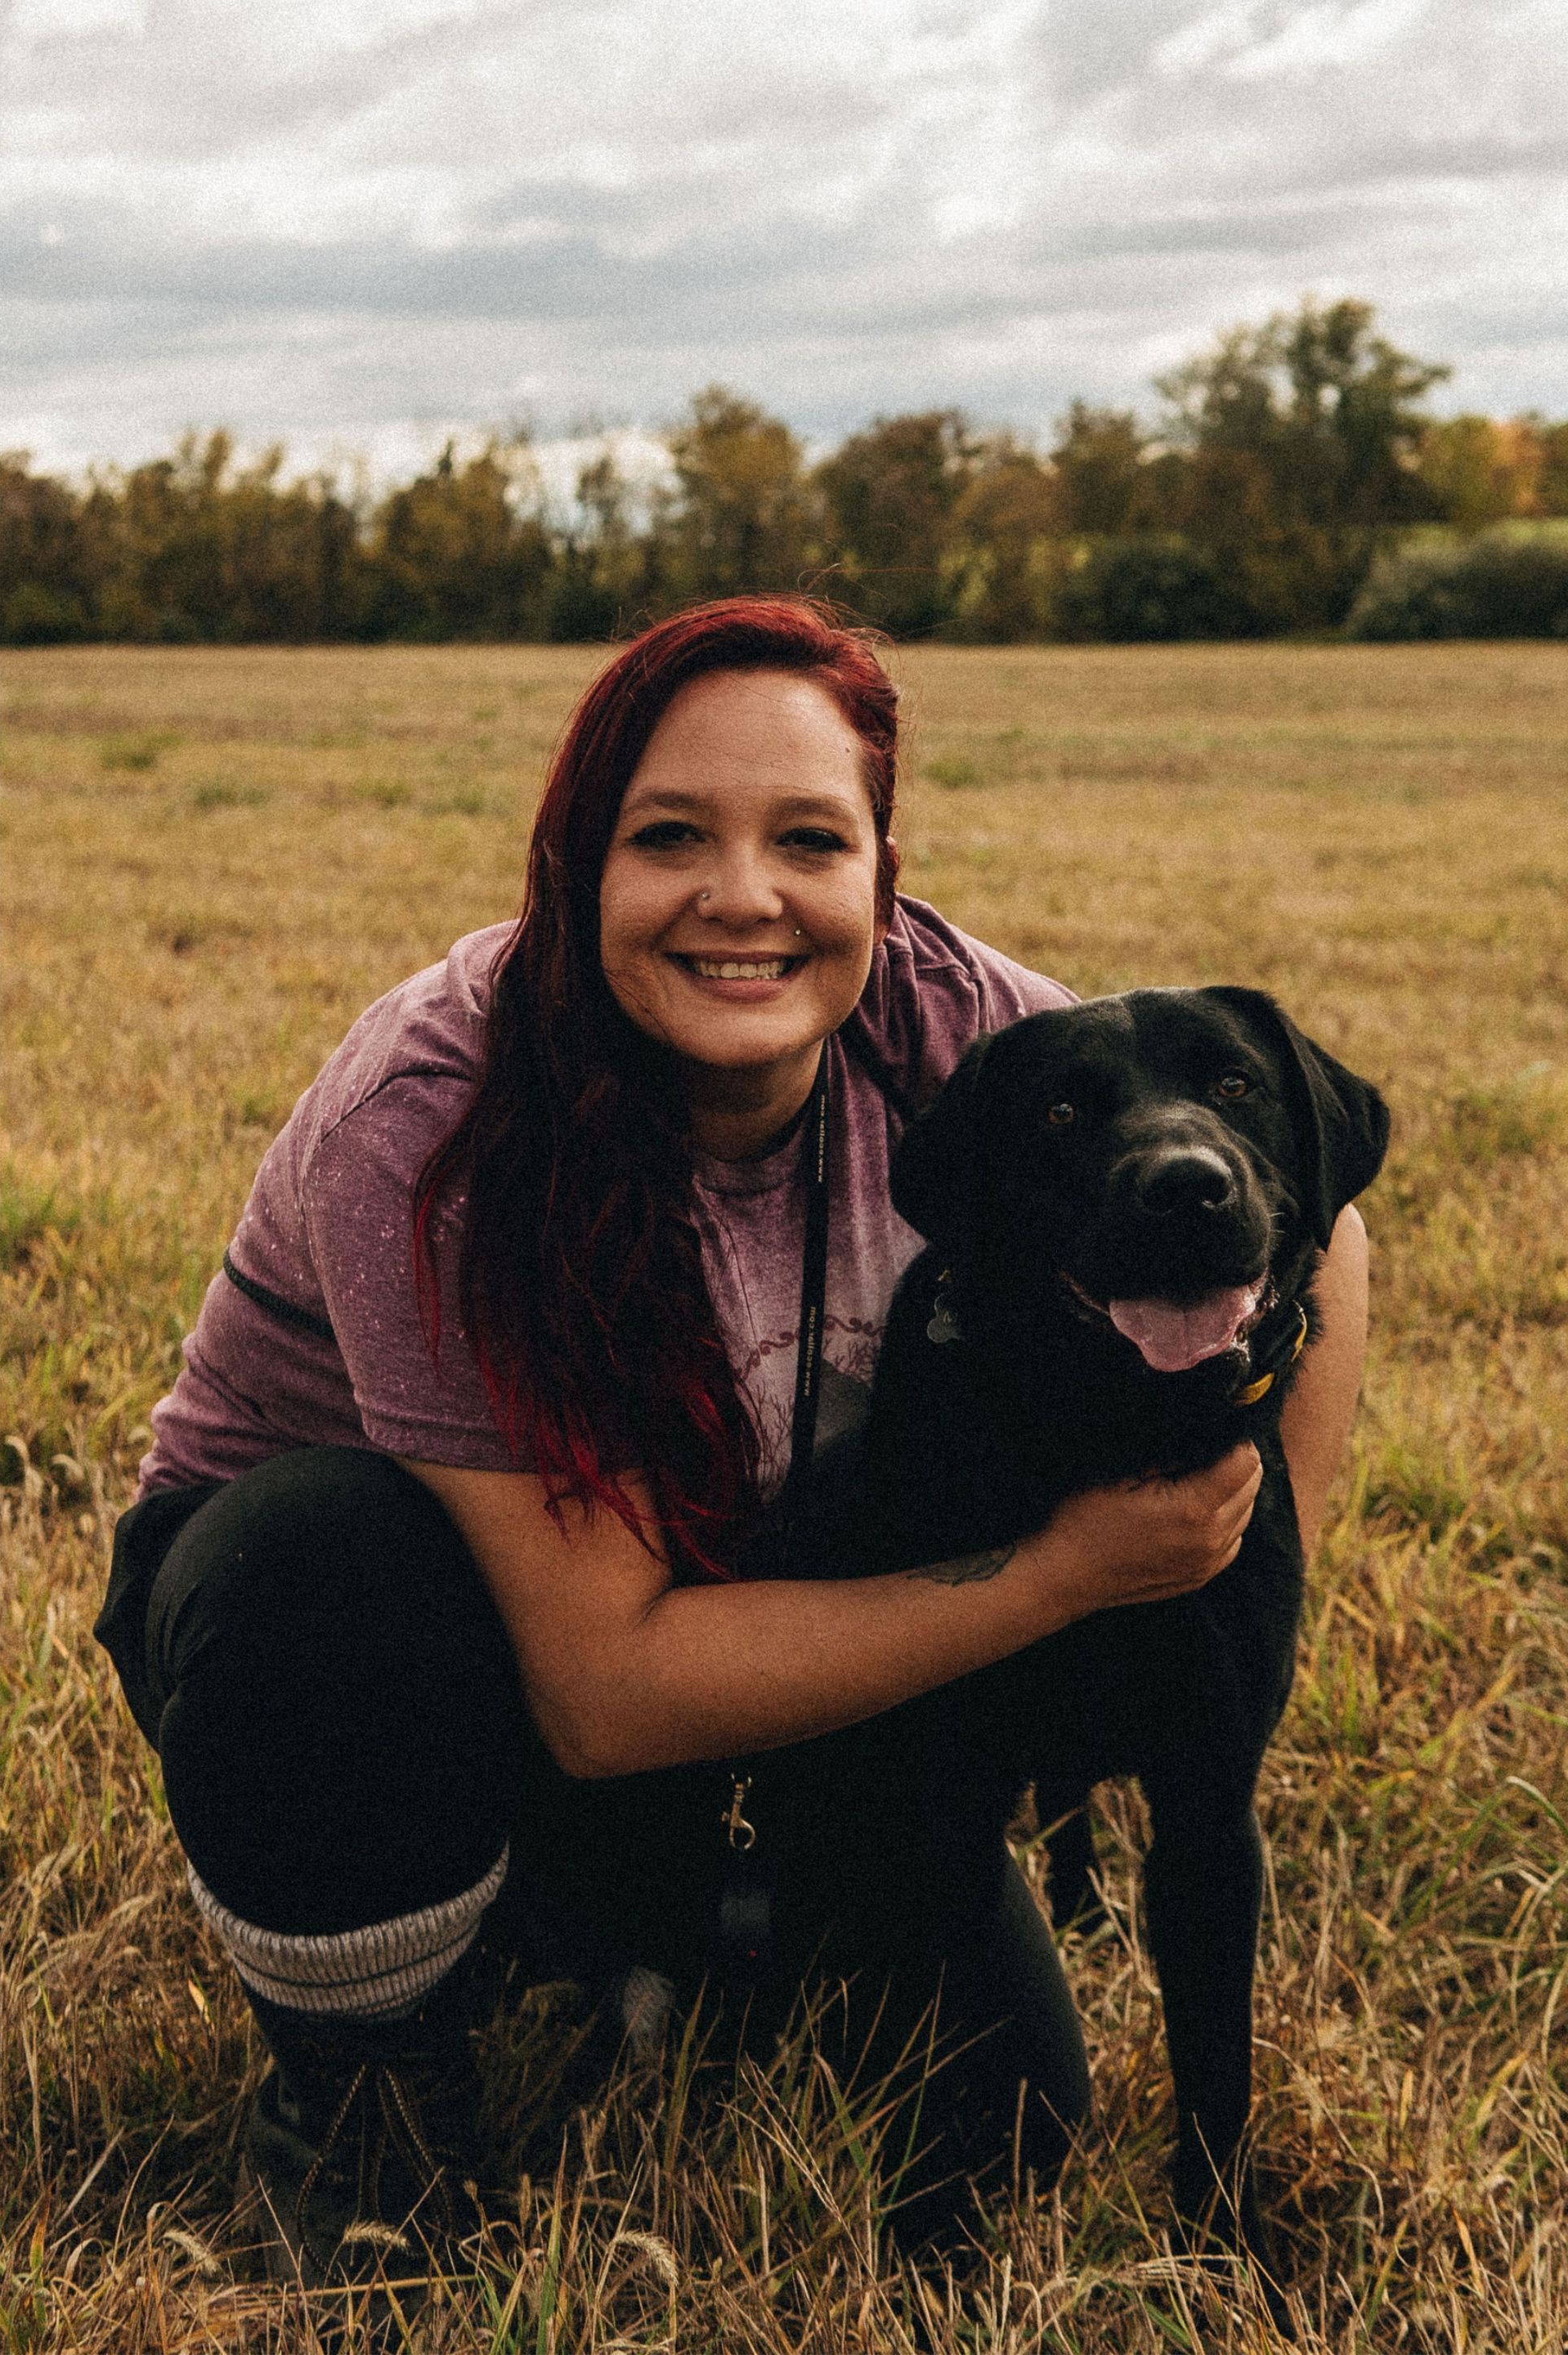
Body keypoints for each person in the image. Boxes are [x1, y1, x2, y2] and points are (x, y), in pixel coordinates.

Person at [96, 598, 1369, 2290]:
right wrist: (1066, 1578)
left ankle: (657, 1929)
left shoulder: (954, 1022)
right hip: (403, 1653)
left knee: (1007, 2124)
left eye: (810, 840)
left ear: (880, 875)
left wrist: (1238, 1542)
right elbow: (607, 1694)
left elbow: (1300, 1202)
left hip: (755, 1601)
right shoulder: (437, 1116)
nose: (746, 896)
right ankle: (369, 2089)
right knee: (320, 1569)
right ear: (576, 868)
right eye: (670, 837)